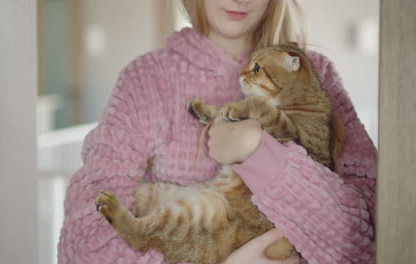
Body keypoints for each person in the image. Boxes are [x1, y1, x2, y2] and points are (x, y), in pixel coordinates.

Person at [58, 0, 377, 263]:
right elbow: (84, 241)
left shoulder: (315, 75)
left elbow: (368, 240)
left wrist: (258, 150)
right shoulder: (147, 80)